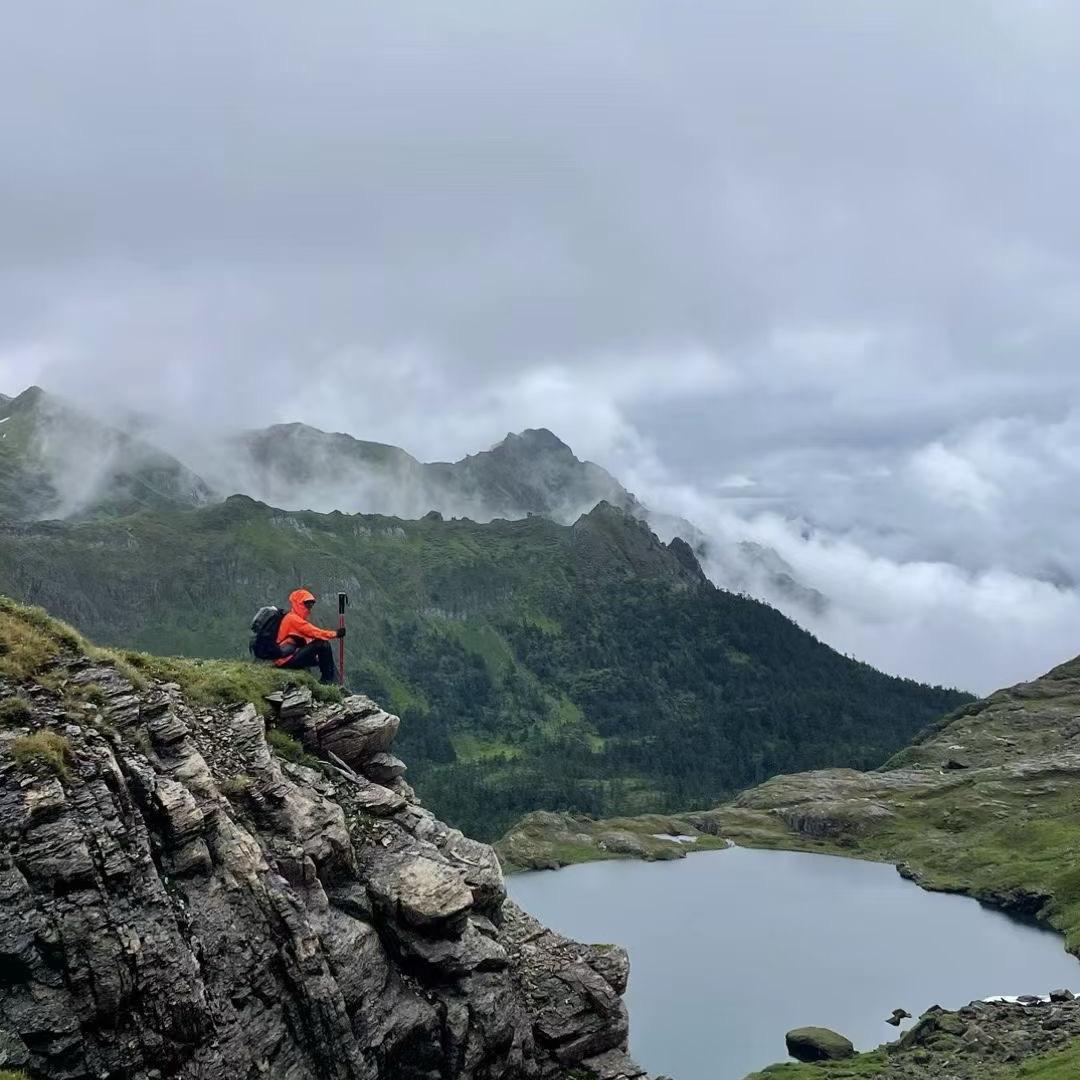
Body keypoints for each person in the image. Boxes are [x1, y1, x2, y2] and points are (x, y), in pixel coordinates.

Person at [274, 588, 344, 684]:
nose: (309, 608)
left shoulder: (293, 618)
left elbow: (307, 638)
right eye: (307, 604)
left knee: (325, 656)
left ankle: (333, 682)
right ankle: (327, 681)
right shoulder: (293, 619)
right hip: (285, 660)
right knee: (323, 645)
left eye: (311, 605)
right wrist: (336, 633)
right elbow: (314, 632)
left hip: (286, 657)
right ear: (299, 603)